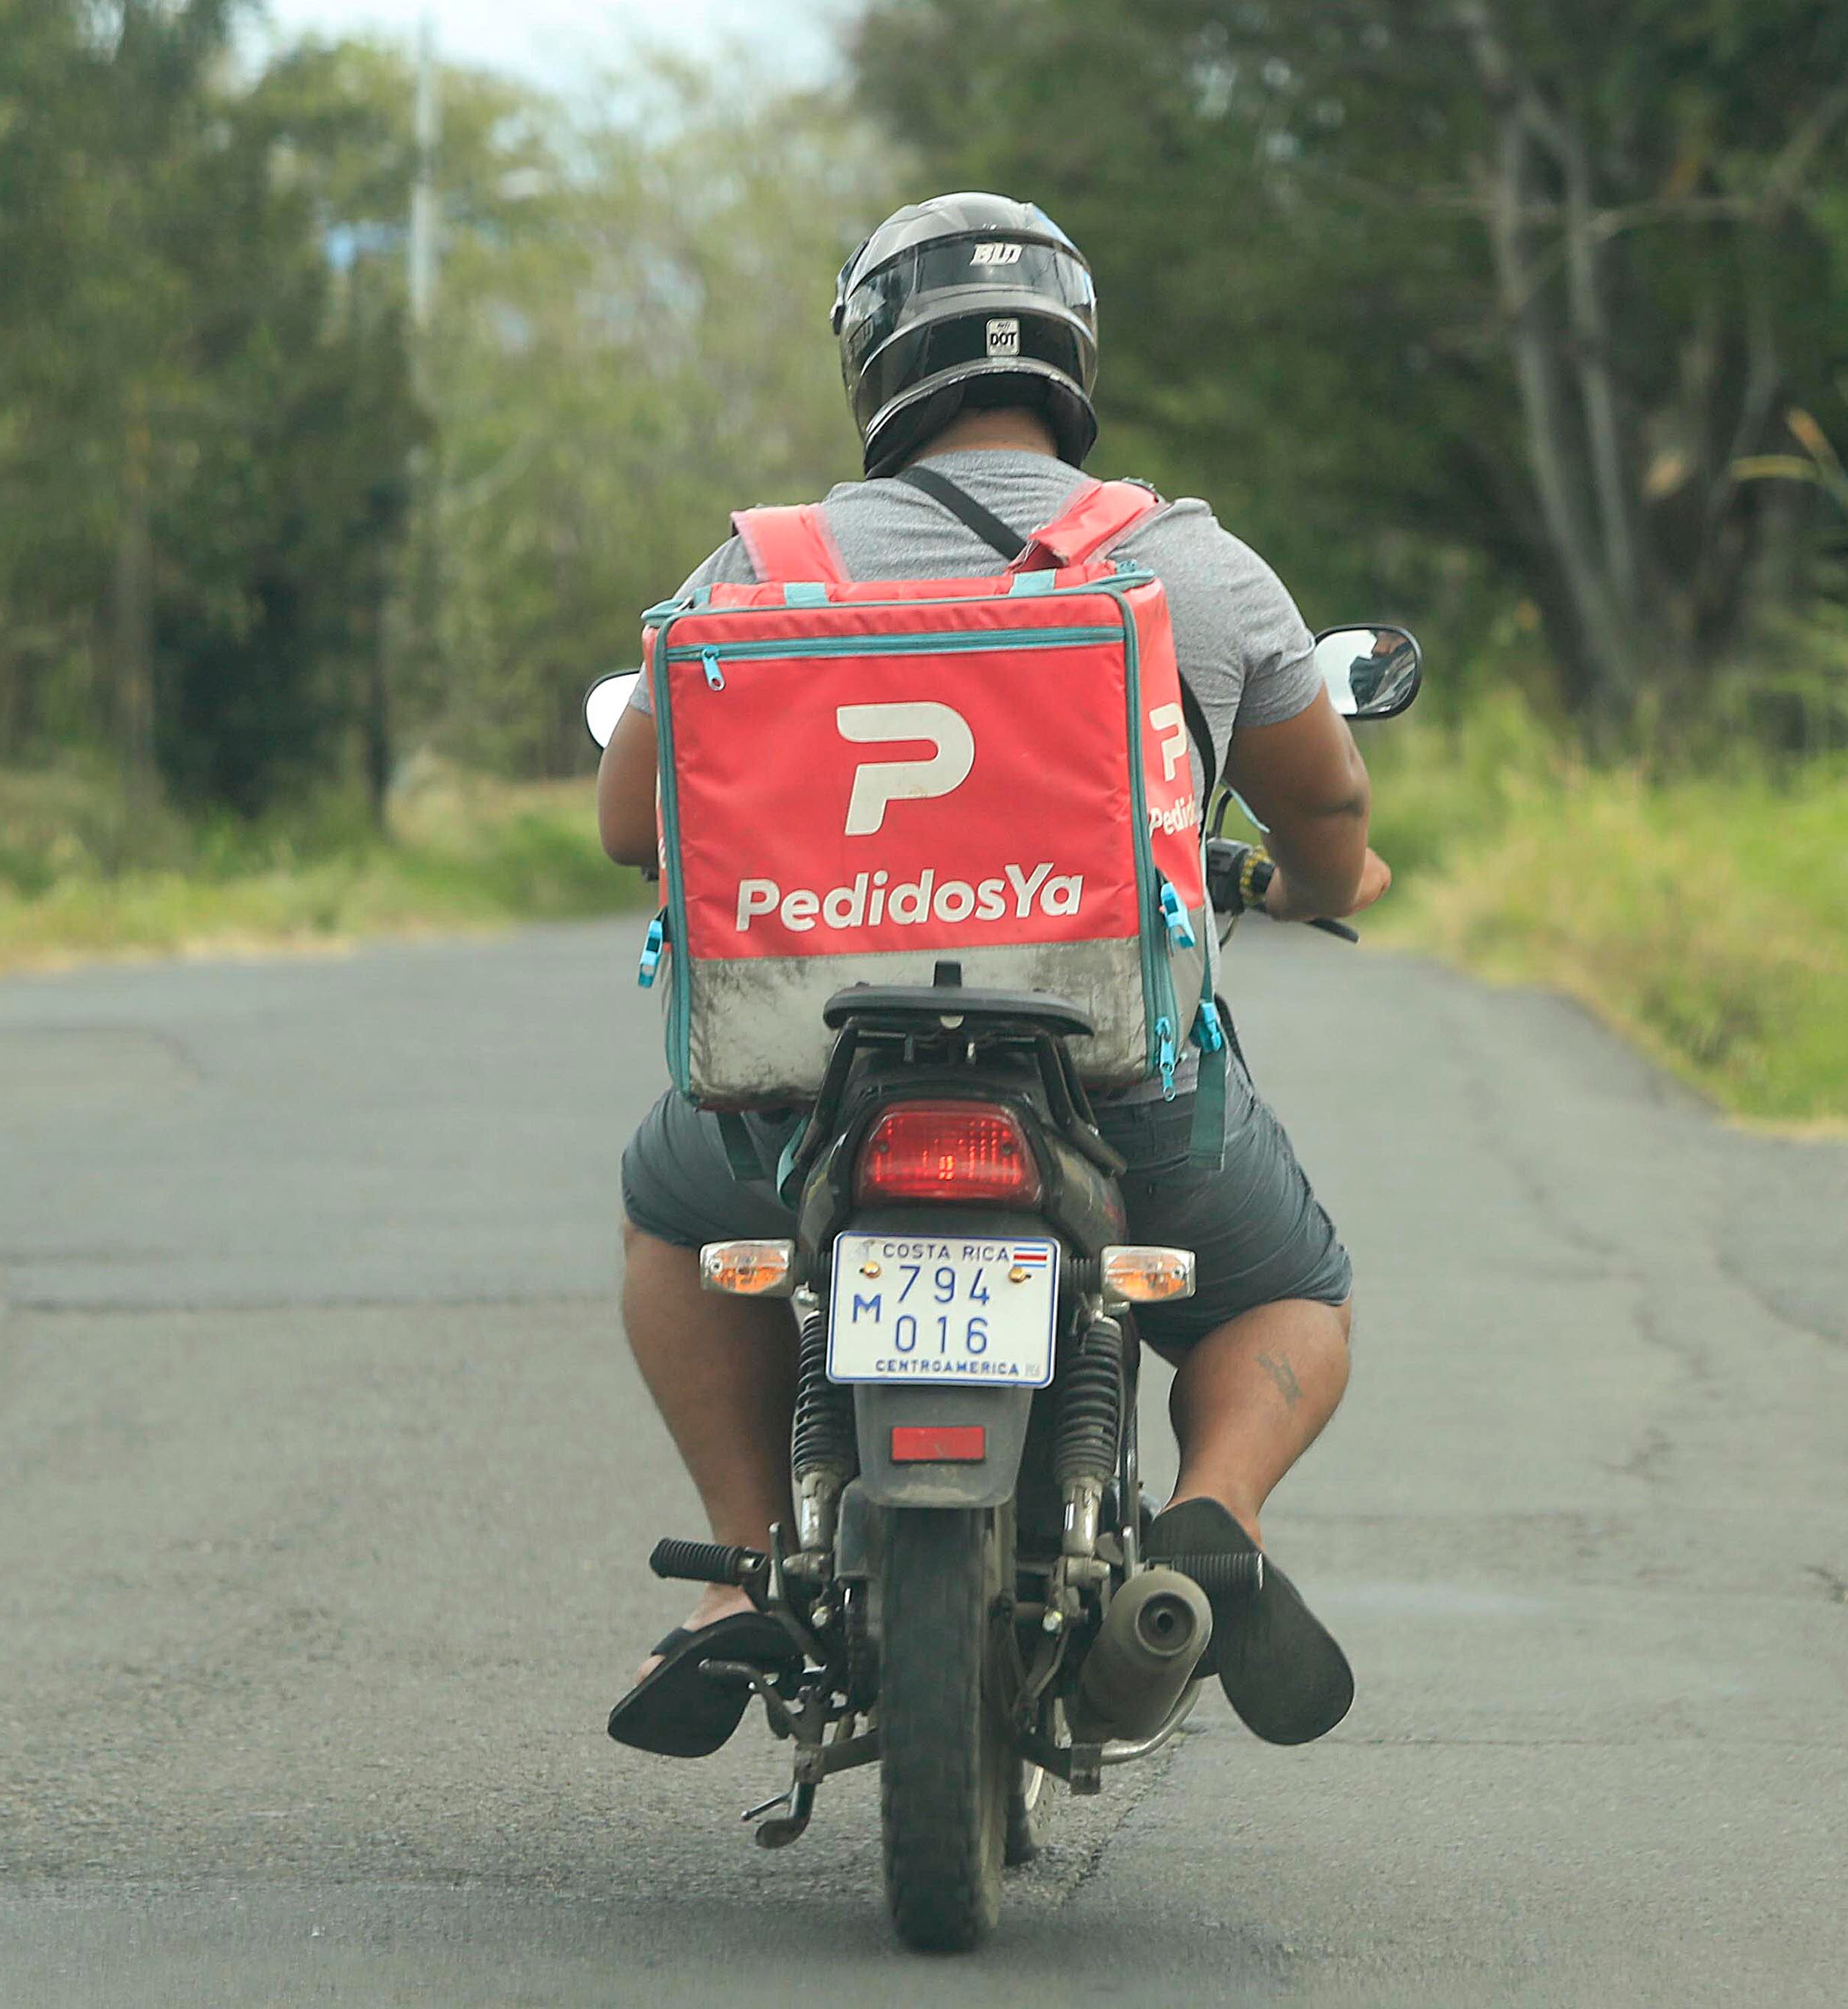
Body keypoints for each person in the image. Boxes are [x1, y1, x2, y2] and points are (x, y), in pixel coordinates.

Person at [595, 193, 1389, 1748]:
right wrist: (1312, 882)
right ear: (1069, 355)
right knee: (1286, 1293)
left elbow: (631, 819)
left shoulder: (759, 569)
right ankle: (1210, 1517)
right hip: (1110, 1080)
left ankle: (745, 1564)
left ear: (878, 360)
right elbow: (1325, 803)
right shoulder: (1191, 565)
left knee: (664, 1212)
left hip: (810, 1092)